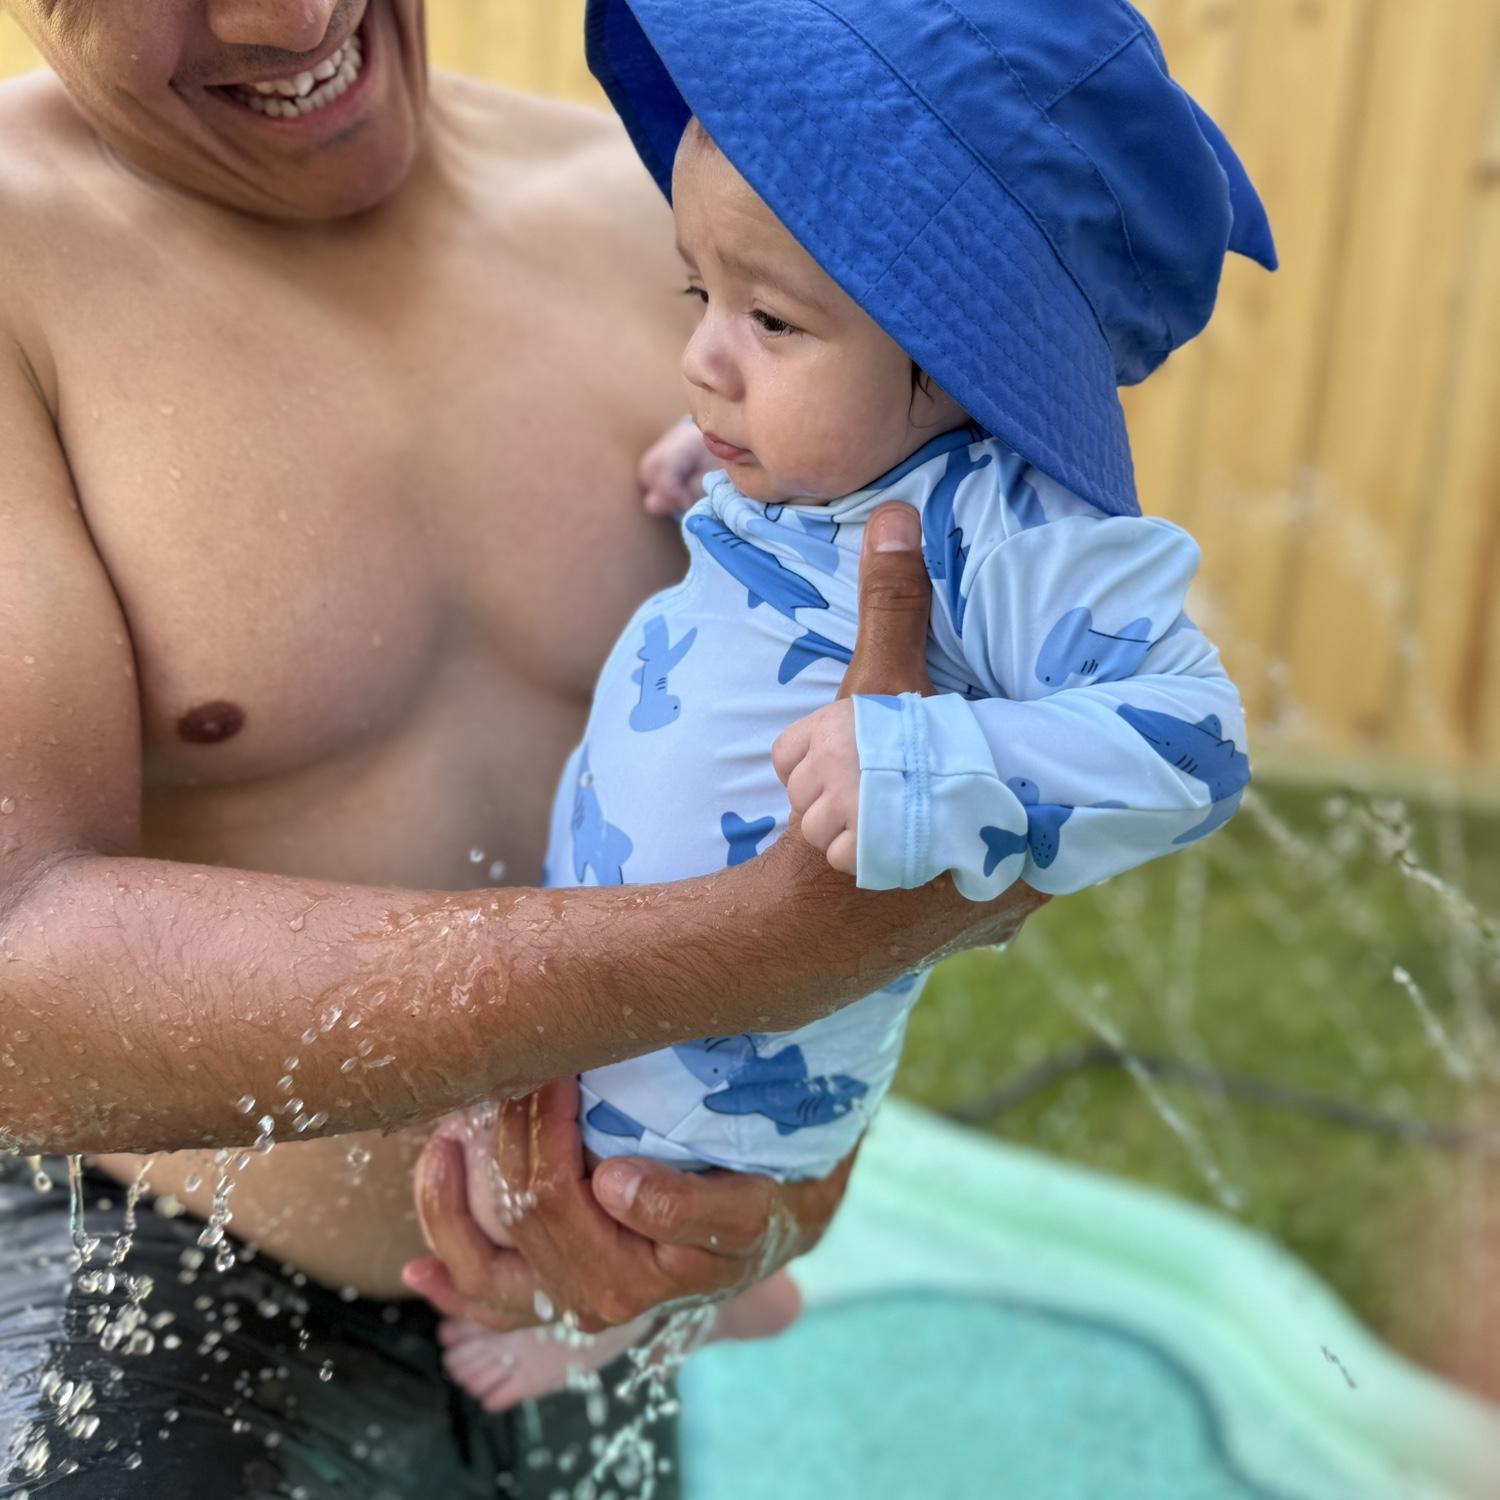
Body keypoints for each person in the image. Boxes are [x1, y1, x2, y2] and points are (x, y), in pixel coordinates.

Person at [0, 1, 1046, 1495]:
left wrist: (781, 1195)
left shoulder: (679, 224)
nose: (289, 16)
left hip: (614, 1280)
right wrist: (750, 951)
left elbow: (915, 688)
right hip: (155, 1256)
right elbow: (15, 983)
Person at [429, 0, 1274, 1412]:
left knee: (602, 1180)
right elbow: (825, 450)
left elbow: (1199, 739)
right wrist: (738, 444)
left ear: (963, 362)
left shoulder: (1005, 540)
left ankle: (656, 1301)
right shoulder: (834, 456)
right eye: (698, 296)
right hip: (629, 956)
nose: (706, 357)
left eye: (769, 319)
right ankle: (719, 1283)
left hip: (733, 1073)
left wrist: (936, 759)